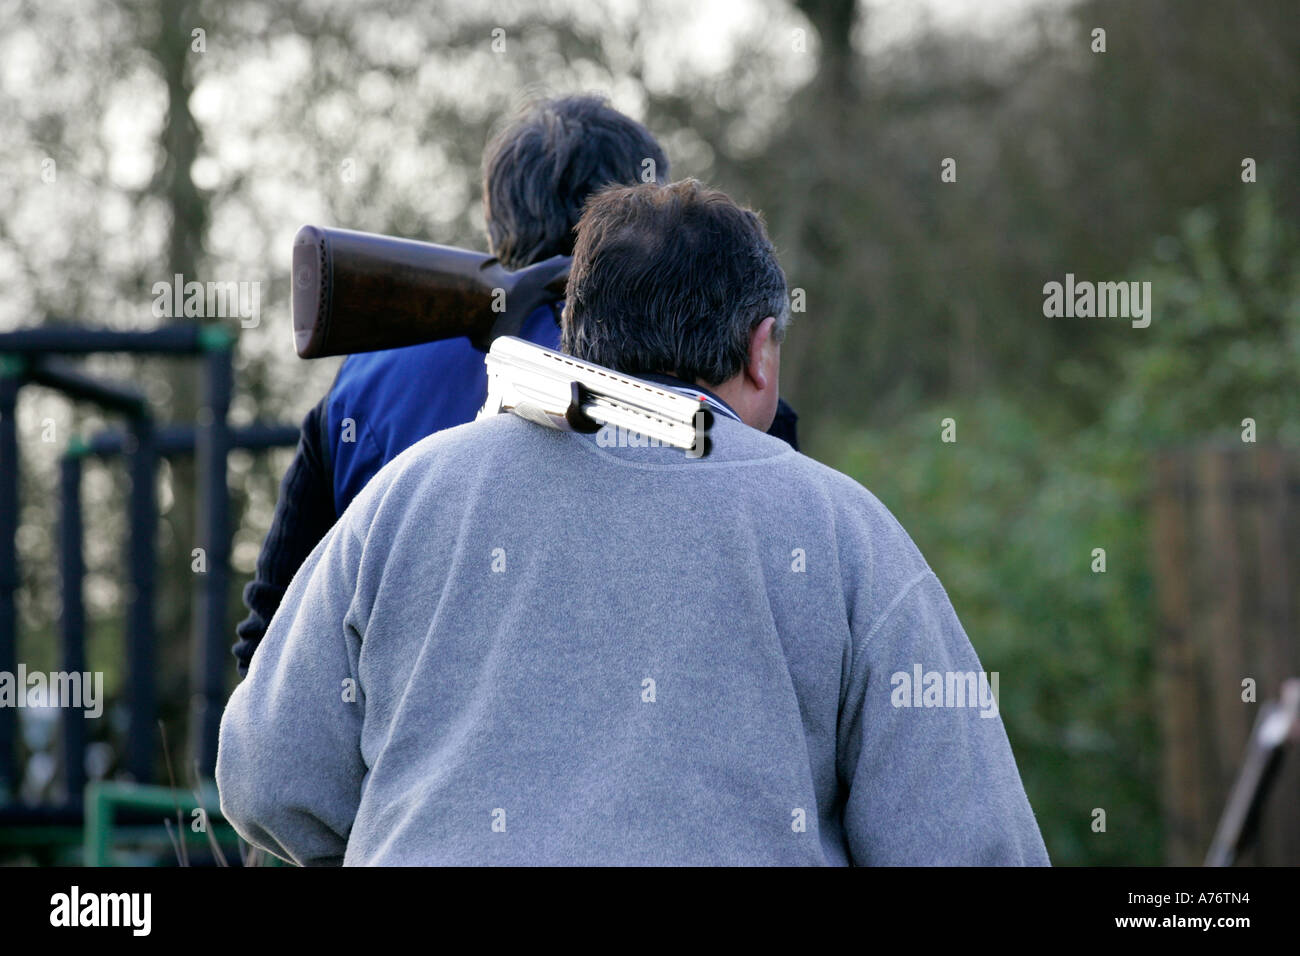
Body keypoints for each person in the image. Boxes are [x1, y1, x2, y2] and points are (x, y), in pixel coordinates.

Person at [217, 179, 1050, 866]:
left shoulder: (406, 497)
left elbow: (266, 779)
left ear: (576, 331)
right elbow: (970, 846)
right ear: (762, 349)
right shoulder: (848, 535)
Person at [232, 94, 801, 676]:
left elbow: (270, 646)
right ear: (643, 217)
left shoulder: (364, 381)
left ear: (493, 222)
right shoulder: (709, 371)